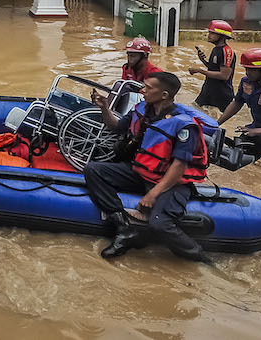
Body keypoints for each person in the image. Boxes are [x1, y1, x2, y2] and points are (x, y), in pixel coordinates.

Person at [85, 72, 211, 262]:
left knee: (161, 225)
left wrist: (152, 195)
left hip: (171, 182)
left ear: (164, 95)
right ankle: (124, 228)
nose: (142, 90)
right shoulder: (142, 108)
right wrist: (104, 108)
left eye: (148, 88)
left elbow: (179, 166)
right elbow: (117, 126)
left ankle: (202, 259)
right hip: (142, 172)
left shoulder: (184, 125)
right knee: (93, 170)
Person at [188, 20, 236, 111]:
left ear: (222, 36)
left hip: (220, 94)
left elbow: (224, 75)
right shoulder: (215, 49)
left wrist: (200, 71)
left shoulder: (226, 51)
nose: (209, 35)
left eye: (212, 33)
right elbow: (213, 69)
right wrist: (203, 60)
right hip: (208, 91)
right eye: (209, 32)